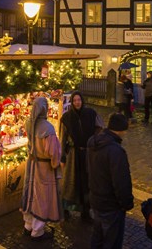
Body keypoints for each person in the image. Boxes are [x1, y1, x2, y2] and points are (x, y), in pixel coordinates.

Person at [87, 113, 134, 249]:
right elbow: (121, 182)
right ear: (121, 130)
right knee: (112, 241)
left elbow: (88, 169)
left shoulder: (93, 142)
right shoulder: (116, 151)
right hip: (111, 205)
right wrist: (126, 203)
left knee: (98, 236)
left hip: (96, 199)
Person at [21, 96, 62, 241]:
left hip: (31, 165)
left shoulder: (28, 123)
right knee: (41, 197)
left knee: (30, 194)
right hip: (43, 168)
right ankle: (37, 231)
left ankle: (28, 225)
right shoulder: (47, 128)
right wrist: (55, 164)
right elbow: (54, 153)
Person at [60, 91, 104, 221]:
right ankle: (66, 208)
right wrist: (62, 155)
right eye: (74, 101)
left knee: (86, 182)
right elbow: (63, 138)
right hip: (73, 154)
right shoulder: (67, 118)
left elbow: (100, 127)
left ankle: (86, 211)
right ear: (72, 102)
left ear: (82, 101)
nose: (77, 102)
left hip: (87, 154)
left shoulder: (90, 113)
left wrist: (94, 141)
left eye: (79, 100)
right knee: (72, 182)